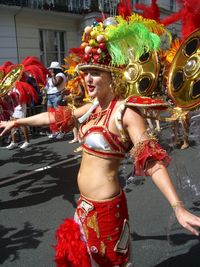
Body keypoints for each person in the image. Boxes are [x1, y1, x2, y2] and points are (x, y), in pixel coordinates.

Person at [1, 15, 200, 267]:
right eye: (86, 73)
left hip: (107, 212)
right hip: (83, 206)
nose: (88, 79)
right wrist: (17, 122)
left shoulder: (125, 113)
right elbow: (56, 116)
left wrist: (178, 206)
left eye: (95, 73)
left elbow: (151, 162)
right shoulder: (93, 108)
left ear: (112, 77)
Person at [45, 61, 67, 139]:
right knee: (51, 115)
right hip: (50, 96)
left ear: (54, 70)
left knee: (58, 115)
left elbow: (56, 84)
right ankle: (54, 131)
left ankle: (62, 131)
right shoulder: (51, 76)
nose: (50, 70)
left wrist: (53, 76)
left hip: (57, 96)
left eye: (51, 69)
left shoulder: (60, 75)